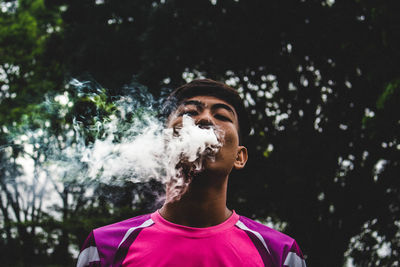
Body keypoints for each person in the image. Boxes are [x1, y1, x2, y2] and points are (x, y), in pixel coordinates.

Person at [77, 79, 307, 267]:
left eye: (222, 116)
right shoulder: (105, 248)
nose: (205, 119)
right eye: (189, 112)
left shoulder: (280, 254)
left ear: (239, 157)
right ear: (160, 148)